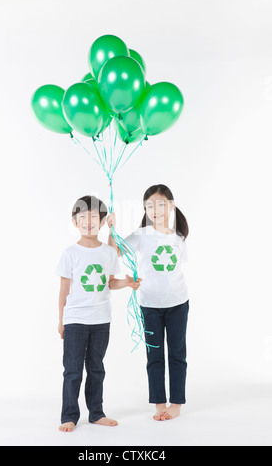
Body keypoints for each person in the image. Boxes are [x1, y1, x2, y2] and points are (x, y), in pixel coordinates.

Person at [56, 195, 141, 432]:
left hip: (101, 320)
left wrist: (127, 283)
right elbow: (63, 289)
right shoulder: (69, 253)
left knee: (96, 368)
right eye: (82, 217)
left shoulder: (108, 252)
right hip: (75, 320)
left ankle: (96, 413)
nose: (88, 221)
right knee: (73, 370)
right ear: (75, 222)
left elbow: (110, 283)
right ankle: (69, 415)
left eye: (94, 217)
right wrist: (61, 320)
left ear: (102, 221)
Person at [107, 184, 189, 421]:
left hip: (178, 304)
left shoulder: (179, 237)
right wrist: (112, 229)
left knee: (177, 354)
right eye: (150, 206)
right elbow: (115, 252)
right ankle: (159, 403)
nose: (156, 210)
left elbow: (176, 271)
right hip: (150, 305)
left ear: (171, 206)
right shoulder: (142, 235)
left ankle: (176, 404)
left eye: (161, 204)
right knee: (154, 356)